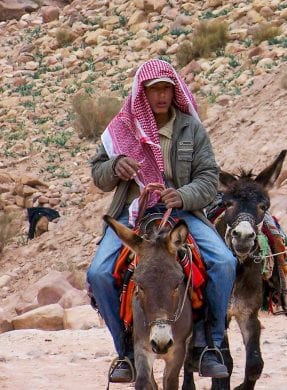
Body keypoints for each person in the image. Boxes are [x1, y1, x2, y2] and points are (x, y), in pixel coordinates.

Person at [86, 59, 237, 382]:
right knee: (98, 273)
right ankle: (125, 350)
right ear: (142, 93)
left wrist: (182, 196)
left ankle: (210, 343)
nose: (161, 96)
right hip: (134, 215)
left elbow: (209, 179)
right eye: (154, 90)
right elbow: (98, 175)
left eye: (167, 89)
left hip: (181, 215)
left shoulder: (191, 128)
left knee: (223, 262)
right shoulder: (121, 129)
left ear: (175, 90)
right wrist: (115, 166)